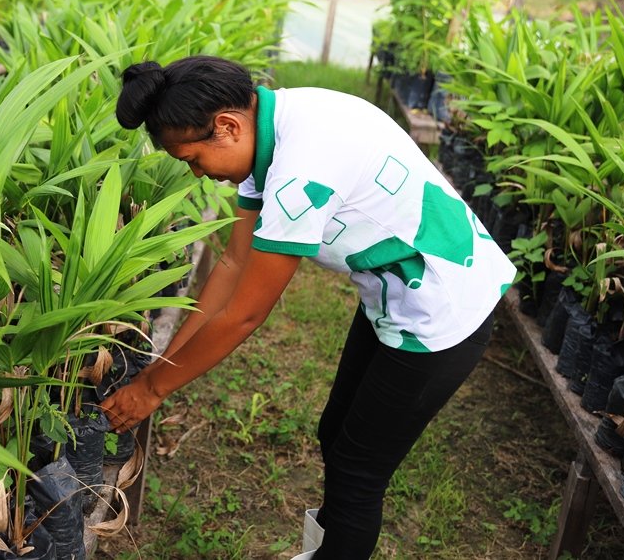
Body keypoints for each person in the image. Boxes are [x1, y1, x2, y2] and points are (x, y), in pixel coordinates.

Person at [101, 56, 516, 559]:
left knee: (359, 471)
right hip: (395, 297)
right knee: (336, 434)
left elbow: (247, 313)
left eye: (192, 159)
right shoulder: (272, 126)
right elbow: (233, 264)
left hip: (441, 313)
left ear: (227, 127)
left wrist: (152, 390)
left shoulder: (301, 170)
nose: (198, 174)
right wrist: (160, 371)